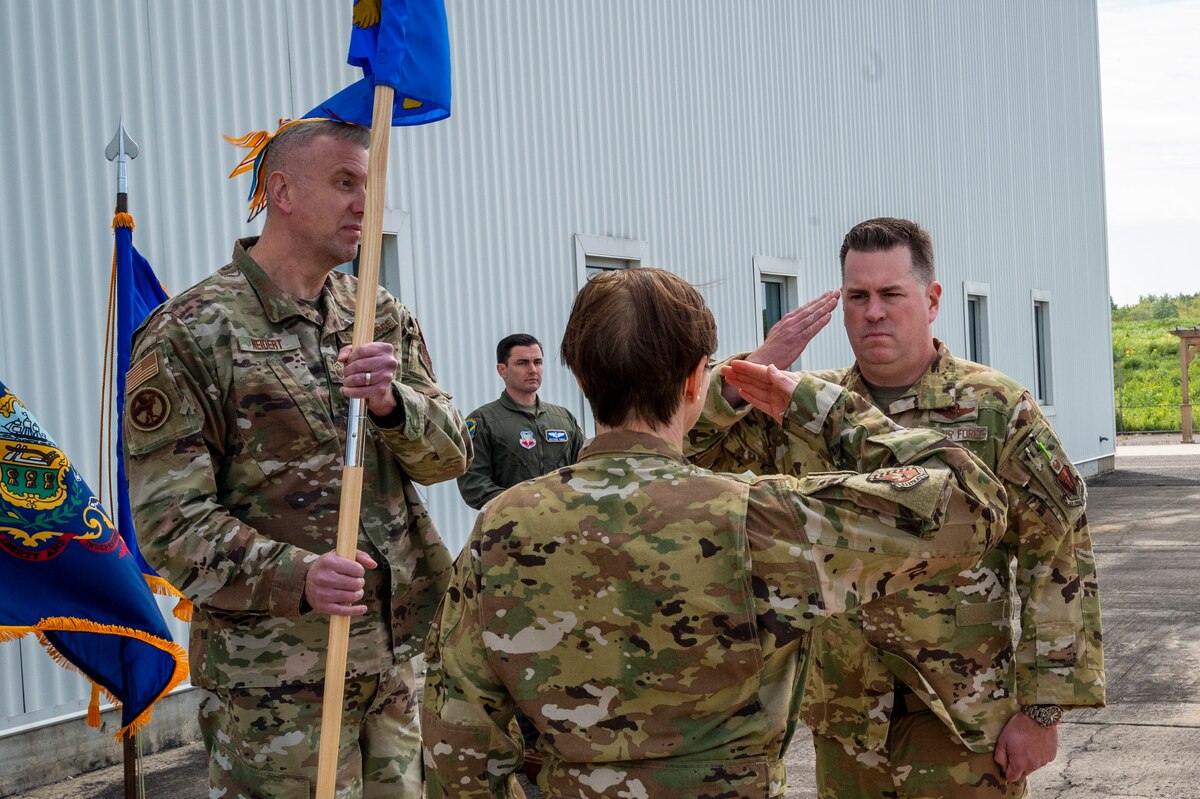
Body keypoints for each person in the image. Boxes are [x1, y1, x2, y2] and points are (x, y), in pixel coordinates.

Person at [421, 267, 1008, 798]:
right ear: (698, 381)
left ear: (578, 375)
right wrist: (824, 408)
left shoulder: (503, 523)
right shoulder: (756, 516)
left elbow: (457, 738)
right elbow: (972, 503)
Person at [688, 217, 1106, 798]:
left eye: (891, 294)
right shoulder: (800, 408)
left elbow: (1056, 556)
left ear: (931, 300)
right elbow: (685, 457)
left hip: (962, 723)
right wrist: (746, 373)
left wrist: (1042, 712)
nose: (873, 312)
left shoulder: (995, 409)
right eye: (857, 296)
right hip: (847, 718)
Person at [123, 119, 471, 798]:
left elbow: (449, 455)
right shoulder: (193, 332)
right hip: (277, 680)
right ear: (281, 190)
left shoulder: (377, 315)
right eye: (345, 183)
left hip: (397, 663)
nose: (364, 204)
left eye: (369, 185)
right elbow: (170, 523)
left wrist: (391, 404)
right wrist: (298, 575)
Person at [456, 333, 584, 510]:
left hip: (563, 528)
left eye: (537, 362)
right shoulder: (483, 421)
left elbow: (584, 470)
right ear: (502, 370)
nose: (533, 369)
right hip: (511, 530)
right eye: (522, 363)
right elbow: (474, 486)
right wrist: (527, 504)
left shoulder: (564, 419)